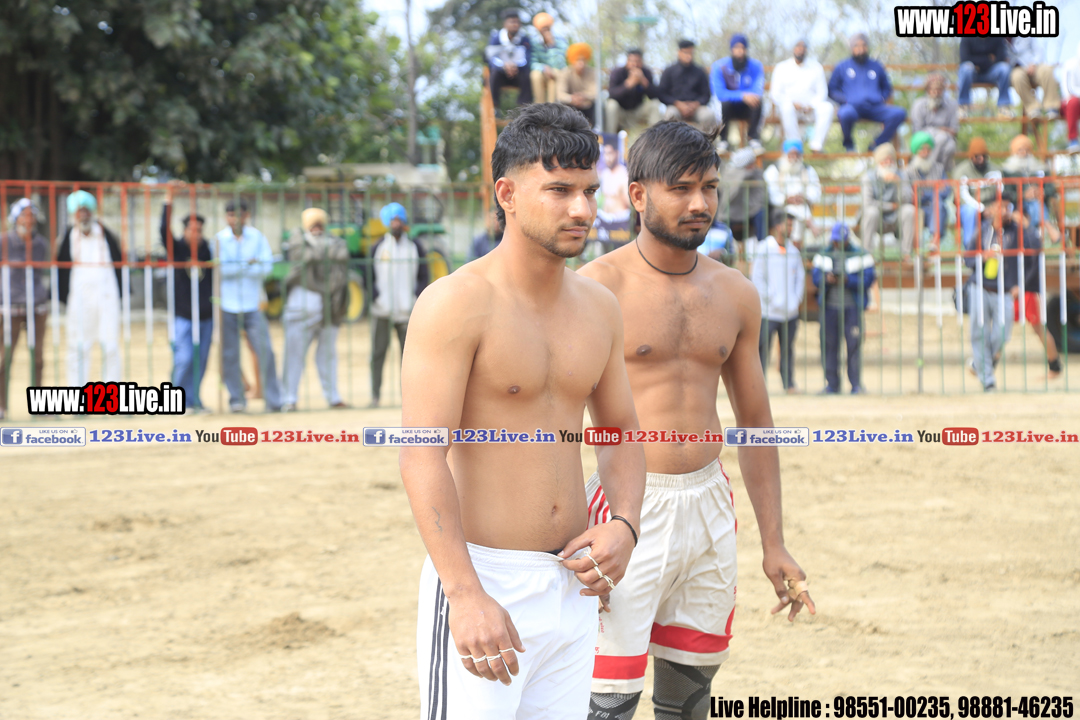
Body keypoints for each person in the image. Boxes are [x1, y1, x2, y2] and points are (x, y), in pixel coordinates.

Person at [400, 103, 645, 720]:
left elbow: (620, 432)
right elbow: (421, 456)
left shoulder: (599, 307)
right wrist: (464, 594)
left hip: (572, 582)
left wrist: (625, 524)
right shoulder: (455, 303)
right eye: (559, 191)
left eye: (590, 191)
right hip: (485, 578)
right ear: (506, 194)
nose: (582, 210)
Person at [579, 120, 814, 720]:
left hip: (709, 504)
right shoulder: (594, 289)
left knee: (689, 696)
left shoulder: (735, 293)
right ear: (638, 195)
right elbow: (553, 424)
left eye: (708, 187)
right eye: (681, 188)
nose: (700, 204)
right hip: (628, 506)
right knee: (607, 700)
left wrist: (774, 542)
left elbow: (755, 424)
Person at [964, 194, 1040, 391]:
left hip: (1005, 290)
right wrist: (983, 257)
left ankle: (979, 364)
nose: (1005, 211)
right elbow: (968, 258)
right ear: (992, 209)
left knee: (1002, 334)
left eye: (1008, 207)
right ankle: (988, 380)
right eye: (1001, 207)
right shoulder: (983, 230)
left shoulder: (1017, 231)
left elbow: (1035, 249)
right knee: (979, 332)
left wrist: (1020, 284)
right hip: (980, 287)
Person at [280, 208, 351, 412]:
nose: (316, 227)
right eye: (312, 224)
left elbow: (342, 254)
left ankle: (333, 397)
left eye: (320, 223)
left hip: (331, 305)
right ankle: (289, 398)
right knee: (294, 353)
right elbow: (303, 256)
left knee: (328, 354)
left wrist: (319, 253)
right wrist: (324, 253)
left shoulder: (335, 241)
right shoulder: (298, 240)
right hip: (302, 304)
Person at [216, 199, 282, 413]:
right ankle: (236, 399)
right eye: (231, 215)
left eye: (239, 214)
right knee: (230, 354)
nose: (235, 219)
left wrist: (238, 266)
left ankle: (273, 400)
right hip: (227, 304)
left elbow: (267, 268)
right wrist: (248, 263)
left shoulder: (257, 237)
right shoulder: (219, 239)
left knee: (266, 351)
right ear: (226, 217)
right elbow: (221, 271)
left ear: (247, 216)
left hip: (253, 304)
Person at [57, 190, 123, 386]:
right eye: (79, 211)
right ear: (73, 214)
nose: (83, 215)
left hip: (107, 298)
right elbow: (60, 270)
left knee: (110, 347)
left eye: (86, 210)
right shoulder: (67, 237)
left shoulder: (106, 234)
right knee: (78, 347)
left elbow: (119, 262)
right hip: (79, 300)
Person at [368, 202, 428, 408]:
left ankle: (408, 398)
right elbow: (368, 276)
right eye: (392, 220)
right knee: (378, 353)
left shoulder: (415, 247)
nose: (396, 224)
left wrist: (415, 297)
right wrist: (376, 296)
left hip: (407, 310)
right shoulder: (378, 247)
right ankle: (375, 396)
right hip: (382, 309)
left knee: (408, 358)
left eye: (399, 220)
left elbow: (423, 276)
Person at [161, 190, 213, 412]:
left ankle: (193, 399)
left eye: (199, 230)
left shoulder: (208, 250)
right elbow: (163, 230)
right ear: (184, 231)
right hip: (183, 314)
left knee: (201, 360)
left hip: (206, 315)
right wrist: (168, 201)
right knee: (184, 358)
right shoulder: (177, 249)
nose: (196, 234)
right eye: (192, 229)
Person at [0, 199, 49, 420]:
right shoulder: (4, 241)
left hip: (36, 304)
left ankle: (39, 407)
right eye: (24, 215)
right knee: (4, 357)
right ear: (15, 218)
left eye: (32, 215)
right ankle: (2, 406)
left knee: (37, 357)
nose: (29, 220)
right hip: (9, 305)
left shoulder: (40, 244)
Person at [812, 223, 875, 394]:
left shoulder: (861, 255)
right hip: (830, 307)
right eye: (836, 240)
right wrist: (827, 280)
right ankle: (832, 385)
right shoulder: (823, 255)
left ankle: (856, 385)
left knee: (854, 345)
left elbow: (868, 279)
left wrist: (848, 280)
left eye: (842, 240)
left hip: (852, 307)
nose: (838, 244)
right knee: (829, 345)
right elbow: (815, 279)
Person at [752, 209, 805, 394]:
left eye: (792, 225)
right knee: (762, 349)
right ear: (778, 226)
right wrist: (770, 298)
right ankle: (759, 386)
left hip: (790, 312)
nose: (791, 229)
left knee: (788, 349)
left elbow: (800, 278)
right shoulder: (764, 248)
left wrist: (796, 300)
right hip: (769, 311)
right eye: (788, 225)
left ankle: (789, 384)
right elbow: (757, 277)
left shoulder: (794, 251)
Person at [828, 33, 906, 153]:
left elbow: (886, 87)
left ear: (867, 47)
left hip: (875, 107)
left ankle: (877, 144)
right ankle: (849, 144)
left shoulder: (876, 66)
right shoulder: (842, 66)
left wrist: (882, 98)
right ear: (852, 48)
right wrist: (845, 100)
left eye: (863, 45)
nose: (861, 49)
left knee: (899, 113)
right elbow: (832, 90)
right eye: (857, 46)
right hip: (852, 107)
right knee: (844, 113)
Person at [769, 38, 834, 154]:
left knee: (827, 108)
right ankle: (795, 146)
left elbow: (822, 92)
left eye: (803, 47)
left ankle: (816, 145)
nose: (800, 50)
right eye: (798, 47)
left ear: (807, 50)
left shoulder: (816, 67)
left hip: (810, 110)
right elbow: (775, 94)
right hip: (790, 110)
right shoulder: (781, 68)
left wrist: (811, 105)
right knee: (786, 107)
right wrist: (793, 104)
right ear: (793, 49)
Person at [710, 33, 765, 152]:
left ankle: (753, 138)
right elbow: (720, 94)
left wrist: (747, 97)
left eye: (743, 48)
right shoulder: (719, 66)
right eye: (736, 48)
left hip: (747, 108)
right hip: (729, 108)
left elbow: (757, 90)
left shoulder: (756, 66)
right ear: (731, 49)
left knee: (758, 102)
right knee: (723, 104)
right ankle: (723, 140)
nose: (740, 51)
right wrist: (742, 96)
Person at [1002, 134, 1059, 244]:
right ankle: (1048, 227)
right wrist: (1023, 195)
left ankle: (1033, 239)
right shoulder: (1007, 171)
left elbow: (1051, 189)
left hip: (1039, 202)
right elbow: (1006, 193)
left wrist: (1041, 192)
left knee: (1034, 203)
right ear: (1014, 152)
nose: (1024, 153)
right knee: (1033, 203)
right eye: (1020, 150)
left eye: (1027, 150)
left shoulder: (1041, 168)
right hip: (1017, 205)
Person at [861, 143, 915, 258]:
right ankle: (867, 255)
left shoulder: (902, 175)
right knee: (871, 212)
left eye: (891, 160)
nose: (888, 163)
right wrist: (891, 206)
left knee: (909, 210)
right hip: (877, 218)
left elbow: (906, 200)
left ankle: (906, 254)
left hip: (896, 218)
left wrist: (898, 184)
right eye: (885, 160)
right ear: (879, 162)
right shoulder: (868, 177)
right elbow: (868, 203)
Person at [763, 139, 820, 245]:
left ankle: (795, 248)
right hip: (780, 209)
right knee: (792, 213)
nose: (794, 158)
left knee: (797, 214)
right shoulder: (774, 170)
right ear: (785, 155)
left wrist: (804, 198)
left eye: (797, 154)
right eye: (791, 154)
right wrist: (786, 199)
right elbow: (771, 194)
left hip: (801, 205)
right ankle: (809, 222)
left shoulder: (807, 170)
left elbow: (815, 191)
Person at [903, 131, 951, 249]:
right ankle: (913, 251)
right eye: (922, 149)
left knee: (939, 204)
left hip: (935, 208)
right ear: (916, 151)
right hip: (916, 208)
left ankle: (935, 241)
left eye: (928, 149)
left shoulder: (939, 168)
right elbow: (908, 195)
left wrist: (924, 192)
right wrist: (934, 189)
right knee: (935, 199)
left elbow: (946, 190)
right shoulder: (908, 171)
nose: (925, 152)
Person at [952, 137, 1002, 250]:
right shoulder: (961, 171)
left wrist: (993, 207)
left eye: (984, 156)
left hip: (992, 207)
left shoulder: (995, 169)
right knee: (969, 211)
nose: (981, 159)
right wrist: (981, 209)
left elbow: (1002, 191)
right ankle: (970, 249)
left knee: (1005, 210)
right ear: (971, 157)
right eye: (977, 156)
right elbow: (961, 197)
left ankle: (1000, 247)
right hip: (971, 207)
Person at [657, 39, 716, 133]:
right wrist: (677, 104)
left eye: (691, 53)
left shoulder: (700, 72)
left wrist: (696, 104)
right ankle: (672, 142)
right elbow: (662, 94)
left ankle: (704, 141)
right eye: (686, 52)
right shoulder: (669, 71)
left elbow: (706, 94)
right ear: (679, 52)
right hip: (675, 106)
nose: (689, 56)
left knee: (708, 115)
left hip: (697, 107)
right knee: (670, 116)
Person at [910, 72, 959, 174]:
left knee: (950, 146)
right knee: (939, 139)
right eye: (933, 90)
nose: (936, 92)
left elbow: (954, 130)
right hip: (923, 139)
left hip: (946, 139)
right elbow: (917, 131)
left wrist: (941, 133)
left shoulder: (952, 105)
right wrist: (938, 131)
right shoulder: (918, 105)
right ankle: (933, 172)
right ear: (928, 90)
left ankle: (941, 173)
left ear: (943, 90)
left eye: (939, 89)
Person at [605, 49, 661, 137]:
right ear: (627, 61)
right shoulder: (617, 72)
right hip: (621, 111)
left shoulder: (646, 72)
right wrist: (628, 84)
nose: (635, 64)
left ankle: (655, 139)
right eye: (632, 61)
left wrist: (644, 82)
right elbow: (612, 94)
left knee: (654, 104)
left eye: (638, 61)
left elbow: (655, 95)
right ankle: (610, 138)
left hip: (638, 111)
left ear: (642, 62)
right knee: (611, 105)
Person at [486, 9, 533, 109]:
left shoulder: (524, 39)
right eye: (512, 22)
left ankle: (525, 107)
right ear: (505, 24)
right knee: (494, 74)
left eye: (517, 22)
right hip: (502, 74)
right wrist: (504, 66)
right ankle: (495, 107)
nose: (515, 25)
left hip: (518, 74)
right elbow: (491, 59)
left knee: (527, 75)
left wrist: (516, 67)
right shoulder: (496, 38)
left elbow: (528, 59)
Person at [718, 146, 766, 243]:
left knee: (761, 213)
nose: (753, 167)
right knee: (722, 222)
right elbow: (728, 196)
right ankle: (724, 246)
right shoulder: (730, 173)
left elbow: (759, 196)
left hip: (750, 210)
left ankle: (762, 244)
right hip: (731, 211)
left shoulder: (757, 174)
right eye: (750, 164)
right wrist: (744, 175)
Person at [957, 37, 1013, 118]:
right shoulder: (967, 37)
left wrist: (977, 62)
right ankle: (963, 106)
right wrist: (988, 59)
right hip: (973, 74)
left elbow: (1001, 58)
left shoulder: (997, 38)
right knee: (966, 68)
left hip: (991, 73)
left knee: (1004, 68)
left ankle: (1003, 106)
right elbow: (964, 59)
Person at [1009, 37, 1061, 120]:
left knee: (1047, 70)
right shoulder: (999, 39)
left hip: (1034, 65)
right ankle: (1033, 109)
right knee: (1016, 77)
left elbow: (1039, 50)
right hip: (1016, 69)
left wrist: (1033, 63)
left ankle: (1052, 107)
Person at [529, 12, 567, 104]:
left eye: (547, 28)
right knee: (535, 75)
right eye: (543, 29)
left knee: (554, 75)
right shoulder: (533, 42)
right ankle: (538, 106)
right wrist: (543, 68)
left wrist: (551, 46)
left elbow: (559, 64)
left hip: (555, 71)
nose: (545, 31)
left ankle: (551, 107)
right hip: (541, 71)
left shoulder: (560, 41)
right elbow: (532, 62)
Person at [558, 43, 598, 125]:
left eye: (583, 60)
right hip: (570, 107)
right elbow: (560, 94)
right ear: (572, 60)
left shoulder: (592, 73)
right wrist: (571, 98)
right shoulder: (565, 72)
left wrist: (584, 96)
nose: (581, 63)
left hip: (588, 107)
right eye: (578, 60)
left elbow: (595, 93)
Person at [1063, 42, 1080, 153]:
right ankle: (1073, 140)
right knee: (1074, 102)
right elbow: (1069, 90)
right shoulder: (1070, 65)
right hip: (1070, 102)